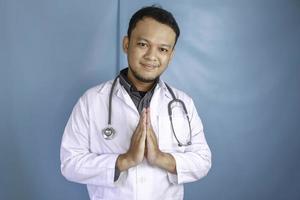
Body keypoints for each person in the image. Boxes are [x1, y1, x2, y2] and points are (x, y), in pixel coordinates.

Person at [60, 5, 211, 200]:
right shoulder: (91, 100)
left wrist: (160, 158)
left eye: (163, 49)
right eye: (143, 44)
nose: (151, 56)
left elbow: (203, 161)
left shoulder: (183, 103)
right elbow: (70, 164)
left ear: (170, 56)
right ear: (126, 44)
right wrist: (124, 160)